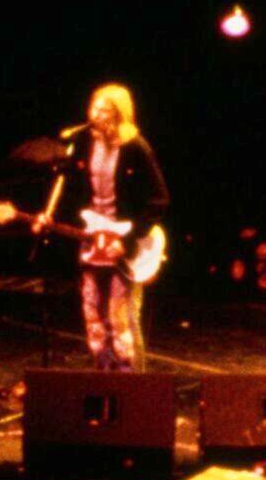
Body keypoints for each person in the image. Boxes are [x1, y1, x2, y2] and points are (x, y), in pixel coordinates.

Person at [40, 84, 169, 370]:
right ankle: (103, 377)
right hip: (92, 239)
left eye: (104, 110)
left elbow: (160, 199)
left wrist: (129, 239)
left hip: (122, 242)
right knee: (93, 315)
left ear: (118, 114)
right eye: (94, 108)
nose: (95, 115)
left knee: (121, 319)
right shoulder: (84, 142)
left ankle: (133, 385)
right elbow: (69, 185)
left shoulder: (135, 147)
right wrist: (51, 215)